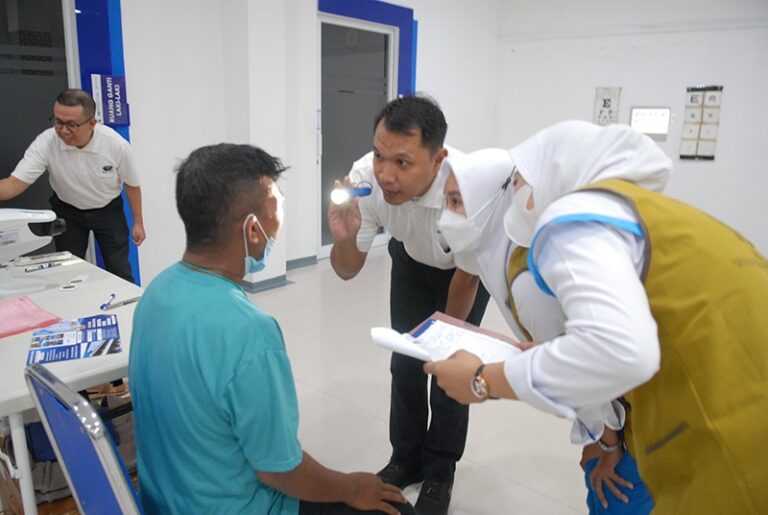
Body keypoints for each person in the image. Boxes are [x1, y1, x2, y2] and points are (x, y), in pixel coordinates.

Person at [426, 121, 768, 514]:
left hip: (730, 441)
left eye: (519, 182)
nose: (515, 196)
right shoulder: (640, 209)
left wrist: (483, 380)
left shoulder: (573, 216)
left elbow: (619, 351)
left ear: (554, 175)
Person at [129, 143, 414, 515]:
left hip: (163, 501)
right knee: (395, 508)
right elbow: (280, 471)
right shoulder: (248, 332)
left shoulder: (155, 293)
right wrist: (351, 487)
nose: (281, 217)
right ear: (253, 229)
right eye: (277, 207)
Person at [437, 147, 653, 514]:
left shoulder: (526, 276)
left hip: (636, 409)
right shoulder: (496, 251)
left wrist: (609, 443)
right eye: (446, 202)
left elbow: (584, 368)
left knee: (618, 496)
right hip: (616, 398)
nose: (447, 216)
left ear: (488, 201)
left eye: (457, 202)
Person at [328, 95, 490, 515]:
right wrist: (344, 236)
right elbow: (347, 271)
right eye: (379, 155)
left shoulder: (468, 190)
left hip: (463, 273)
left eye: (402, 162)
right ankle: (406, 458)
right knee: (405, 362)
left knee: (449, 371)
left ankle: (440, 470)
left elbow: (468, 277)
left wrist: (444, 340)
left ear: (438, 161)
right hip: (411, 261)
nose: (385, 174)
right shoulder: (365, 180)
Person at [0, 88, 144, 282]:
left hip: (107, 210)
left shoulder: (115, 145)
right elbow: (14, 184)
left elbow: (132, 184)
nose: (63, 130)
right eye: (58, 122)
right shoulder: (47, 142)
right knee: (68, 269)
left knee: (118, 267)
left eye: (71, 124)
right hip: (68, 211)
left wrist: (138, 222)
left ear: (92, 123)